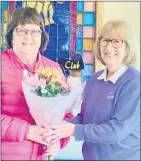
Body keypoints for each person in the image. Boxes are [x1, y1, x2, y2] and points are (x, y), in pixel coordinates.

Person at [41, 20, 140, 160]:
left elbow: (117, 130)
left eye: (117, 42)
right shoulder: (94, 79)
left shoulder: (134, 81)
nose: (109, 47)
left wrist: (73, 130)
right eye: (105, 40)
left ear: (128, 47)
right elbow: (84, 118)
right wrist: (57, 129)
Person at [1, 7, 73, 160]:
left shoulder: (53, 68)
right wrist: (28, 131)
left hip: (41, 155)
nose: (29, 36)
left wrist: (59, 140)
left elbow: (66, 114)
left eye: (35, 31)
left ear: (42, 36)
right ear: (11, 35)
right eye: (21, 30)